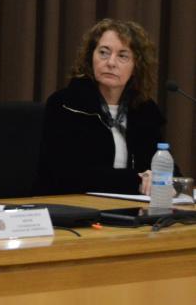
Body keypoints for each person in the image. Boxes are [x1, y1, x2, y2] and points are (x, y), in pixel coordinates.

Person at [36, 18, 176, 195]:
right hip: (73, 211)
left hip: (130, 212)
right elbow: (70, 174)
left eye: (122, 56)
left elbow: (168, 169)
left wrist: (160, 178)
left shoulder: (143, 110)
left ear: (136, 66)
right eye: (103, 52)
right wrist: (137, 181)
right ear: (90, 58)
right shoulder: (66, 104)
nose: (111, 62)